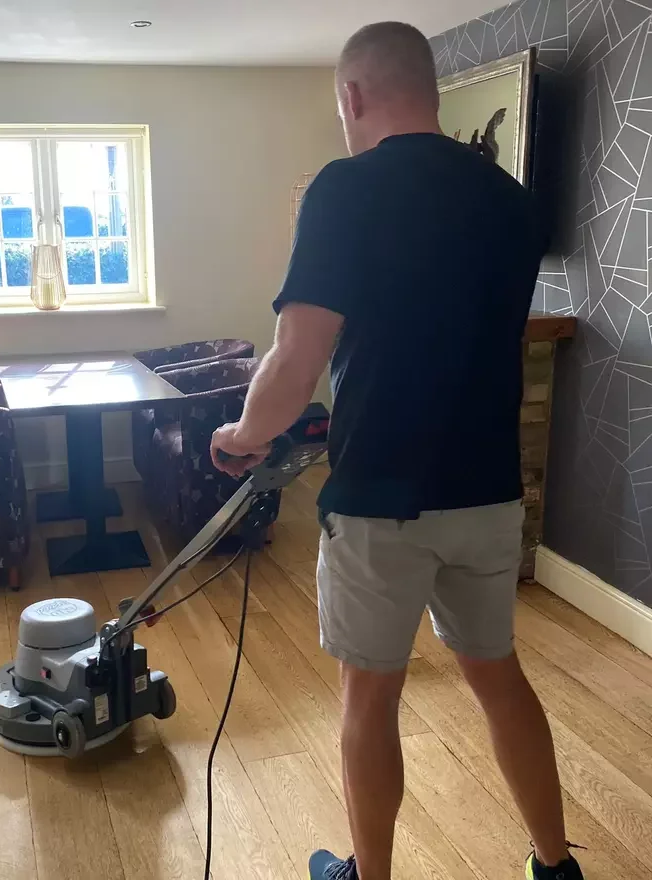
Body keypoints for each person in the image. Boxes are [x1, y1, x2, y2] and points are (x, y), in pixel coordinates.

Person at [210, 21, 585, 880]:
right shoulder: (509, 199)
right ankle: (556, 865)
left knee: (368, 697)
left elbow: (296, 359)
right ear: (435, 89)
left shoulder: (345, 188)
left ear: (352, 96)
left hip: (382, 499)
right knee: (498, 677)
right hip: (489, 490)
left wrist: (242, 435)